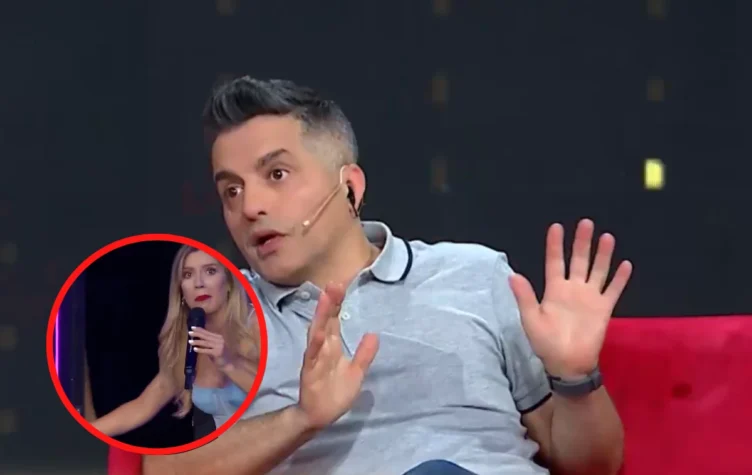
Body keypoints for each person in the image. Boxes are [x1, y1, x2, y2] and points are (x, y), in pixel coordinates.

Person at [142, 77, 632, 475]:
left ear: (349, 188)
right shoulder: (225, 310)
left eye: (276, 175)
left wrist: (575, 378)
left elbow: (591, 467)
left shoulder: (475, 274)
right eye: (231, 191)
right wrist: (301, 419)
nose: (250, 207)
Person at [88, 245, 259, 439]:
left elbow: (279, 397)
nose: (199, 283)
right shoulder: (184, 344)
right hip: (230, 450)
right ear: (181, 290)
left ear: (228, 283)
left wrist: (229, 364)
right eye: (188, 275)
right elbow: (142, 407)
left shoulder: (255, 326)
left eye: (210, 271)